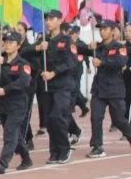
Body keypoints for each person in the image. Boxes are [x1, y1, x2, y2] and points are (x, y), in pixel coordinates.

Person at [0, 31, 34, 173]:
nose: (8, 45)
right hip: (3, 105)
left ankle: (3, 163)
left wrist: (6, 89)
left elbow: (24, 81)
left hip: (18, 104)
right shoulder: (0, 60)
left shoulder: (23, 64)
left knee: (10, 133)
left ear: (18, 45)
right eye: (6, 42)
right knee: (14, 134)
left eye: (11, 42)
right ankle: (26, 159)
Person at [36, 10, 78, 164]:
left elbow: (71, 62)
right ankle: (54, 152)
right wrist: (39, 51)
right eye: (47, 19)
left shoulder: (66, 41)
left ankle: (65, 149)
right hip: (47, 86)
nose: (48, 22)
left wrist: (54, 72)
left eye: (52, 19)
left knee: (57, 116)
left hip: (63, 86)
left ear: (60, 21)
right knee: (50, 121)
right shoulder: (43, 40)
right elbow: (33, 58)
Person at [87, 20, 131, 157]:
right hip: (99, 89)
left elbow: (121, 62)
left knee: (119, 120)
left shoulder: (119, 47)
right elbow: (79, 48)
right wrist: (88, 47)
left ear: (113, 31)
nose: (102, 31)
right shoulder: (97, 47)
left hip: (114, 89)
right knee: (95, 117)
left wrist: (102, 62)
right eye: (101, 29)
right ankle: (97, 146)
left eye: (105, 29)